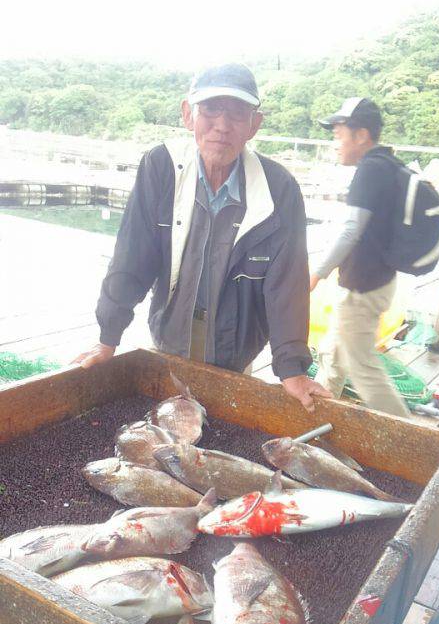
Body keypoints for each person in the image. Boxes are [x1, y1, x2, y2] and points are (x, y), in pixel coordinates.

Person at [74, 63, 331, 412]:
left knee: (222, 420)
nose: (222, 125)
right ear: (188, 114)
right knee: (169, 422)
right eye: (210, 109)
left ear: (254, 124)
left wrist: (292, 369)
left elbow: (288, 284)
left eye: (237, 112)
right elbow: (132, 257)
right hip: (168, 340)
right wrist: (108, 336)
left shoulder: (279, 188)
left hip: (236, 354)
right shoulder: (161, 167)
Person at [310, 97, 410, 418]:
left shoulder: (370, 170)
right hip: (375, 283)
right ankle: (318, 416)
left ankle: (408, 434)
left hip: (363, 289)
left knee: (363, 369)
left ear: (362, 135)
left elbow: (351, 230)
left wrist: (316, 273)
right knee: (333, 354)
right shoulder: (389, 165)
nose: (335, 142)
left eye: (339, 134)